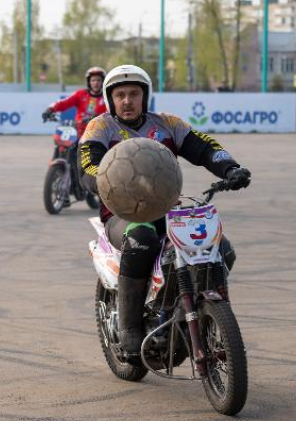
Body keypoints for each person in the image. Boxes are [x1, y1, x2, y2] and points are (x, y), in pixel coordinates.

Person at [78, 64, 251, 359]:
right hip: (122, 214)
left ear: (145, 96)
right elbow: (86, 166)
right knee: (142, 239)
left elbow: (205, 148)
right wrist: (104, 180)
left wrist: (230, 167)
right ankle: (130, 328)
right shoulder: (100, 127)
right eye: (120, 95)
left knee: (220, 248)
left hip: (168, 210)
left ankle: (193, 310)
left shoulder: (168, 123)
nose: (128, 101)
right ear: (111, 99)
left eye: (134, 94)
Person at [41, 66, 107, 137]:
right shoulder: (80, 94)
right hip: (78, 131)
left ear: (103, 82)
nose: (96, 83)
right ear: (89, 82)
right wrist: (50, 109)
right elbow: (64, 102)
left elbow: (110, 114)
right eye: (93, 80)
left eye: (98, 80)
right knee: (61, 144)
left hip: (98, 133)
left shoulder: (107, 97)